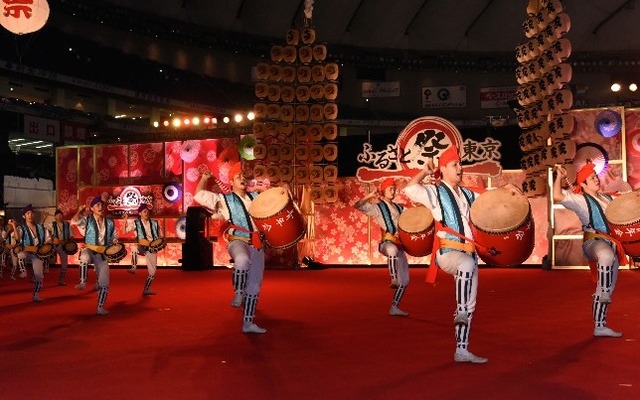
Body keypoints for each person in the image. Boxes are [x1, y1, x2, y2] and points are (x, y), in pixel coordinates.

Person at [404, 145, 492, 364]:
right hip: (448, 252)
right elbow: (410, 189)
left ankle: (461, 350)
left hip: (469, 254)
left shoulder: (467, 194)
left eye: (460, 164)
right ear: (443, 169)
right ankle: (460, 310)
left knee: (471, 303)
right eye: (455, 165)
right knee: (465, 267)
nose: (460, 168)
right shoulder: (435, 192)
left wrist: (507, 190)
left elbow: (489, 201)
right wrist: (424, 171)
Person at [553, 162, 626, 338]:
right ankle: (604, 293)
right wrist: (559, 177)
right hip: (593, 241)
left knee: (607, 284)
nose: (597, 179)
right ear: (583, 184)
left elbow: (625, 204)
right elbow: (556, 196)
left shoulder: (608, 198)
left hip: (612, 242)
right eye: (592, 178)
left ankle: (599, 326)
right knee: (606, 256)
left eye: (596, 176)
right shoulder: (580, 200)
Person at [194, 162, 268, 334]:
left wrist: (278, 189)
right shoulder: (224, 199)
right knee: (242, 260)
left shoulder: (255, 197)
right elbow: (199, 195)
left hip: (257, 242)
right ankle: (238, 292)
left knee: (255, 285)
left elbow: (272, 203)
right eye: (237, 176)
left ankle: (248, 323)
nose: (242, 178)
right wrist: (204, 178)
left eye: (243, 176)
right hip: (237, 240)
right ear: (231, 182)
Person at [354, 178, 410, 316]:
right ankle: (393, 279)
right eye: (390, 188)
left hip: (400, 243)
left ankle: (394, 307)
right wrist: (369, 196)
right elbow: (358, 206)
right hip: (387, 243)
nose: (393, 190)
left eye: (394, 188)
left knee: (406, 280)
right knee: (392, 250)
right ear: (383, 191)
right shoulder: (378, 207)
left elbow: (412, 217)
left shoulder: (399, 207)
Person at [71, 195, 118, 315]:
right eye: (97, 205)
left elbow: (114, 238)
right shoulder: (87, 220)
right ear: (92, 208)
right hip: (90, 250)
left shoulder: (110, 223)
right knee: (84, 256)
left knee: (104, 282)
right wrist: (80, 211)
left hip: (102, 254)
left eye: (101, 205)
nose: (100, 206)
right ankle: (83, 282)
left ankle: (100, 307)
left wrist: (115, 247)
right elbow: (75, 221)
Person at [14, 204, 52, 302]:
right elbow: (17, 238)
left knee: (39, 276)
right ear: (24, 216)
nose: (30, 215)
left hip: (37, 253)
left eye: (31, 213)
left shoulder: (40, 227)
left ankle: (36, 294)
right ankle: (23, 271)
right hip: (26, 251)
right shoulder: (21, 228)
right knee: (20, 254)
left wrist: (47, 245)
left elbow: (48, 239)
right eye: (27, 213)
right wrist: (13, 225)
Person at [124, 203, 163, 295]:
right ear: (140, 213)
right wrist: (125, 220)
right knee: (134, 247)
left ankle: (146, 289)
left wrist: (158, 243)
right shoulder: (136, 223)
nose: (146, 212)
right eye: (144, 211)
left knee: (152, 272)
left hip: (151, 248)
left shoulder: (154, 223)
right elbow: (125, 231)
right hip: (142, 246)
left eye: (147, 211)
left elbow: (160, 235)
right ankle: (134, 267)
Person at [44, 209, 75, 286]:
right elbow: (42, 226)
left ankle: (61, 279)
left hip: (64, 246)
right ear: (55, 217)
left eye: (61, 215)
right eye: (58, 215)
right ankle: (45, 267)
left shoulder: (67, 224)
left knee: (65, 264)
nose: (59, 216)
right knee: (46, 253)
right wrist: (45, 217)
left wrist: (68, 244)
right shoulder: (52, 224)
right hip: (54, 245)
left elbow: (71, 235)